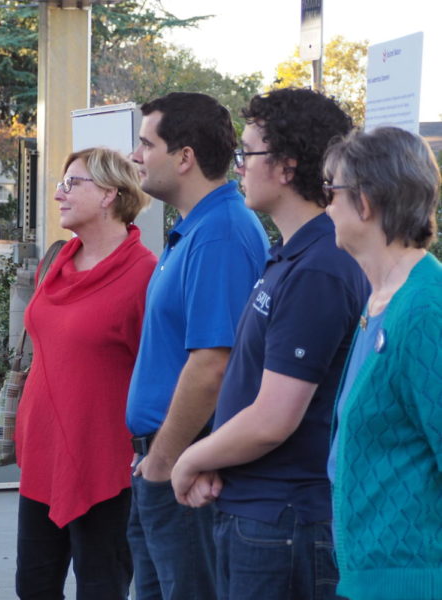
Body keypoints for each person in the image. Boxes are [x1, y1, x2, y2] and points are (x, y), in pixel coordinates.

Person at [170, 88, 368, 600]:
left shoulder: (320, 266)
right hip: (258, 512)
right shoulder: (293, 254)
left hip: (283, 523)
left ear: (285, 166)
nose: (239, 166)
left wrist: (188, 458)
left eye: (249, 153)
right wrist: (217, 456)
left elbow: (275, 417)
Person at [125, 92, 269, 600]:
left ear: (184, 157)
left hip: (183, 465)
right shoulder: (197, 229)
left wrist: (163, 463)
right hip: (162, 463)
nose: (136, 156)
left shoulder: (220, 234)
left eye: (146, 143)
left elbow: (213, 365)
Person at [14, 147, 157, 599]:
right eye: (61, 182)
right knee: (33, 587)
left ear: (110, 195)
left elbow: (159, 371)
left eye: (73, 183)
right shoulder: (55, 262)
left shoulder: (146, 274)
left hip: (106, 462)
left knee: (101, 588)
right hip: (43, 452)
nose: (59, 193)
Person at [322, 127, 442, 600]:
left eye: (331, 190)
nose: (326, 205)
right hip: (370, 583)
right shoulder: (381, 303)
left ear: (365, 202)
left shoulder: (426, 310)